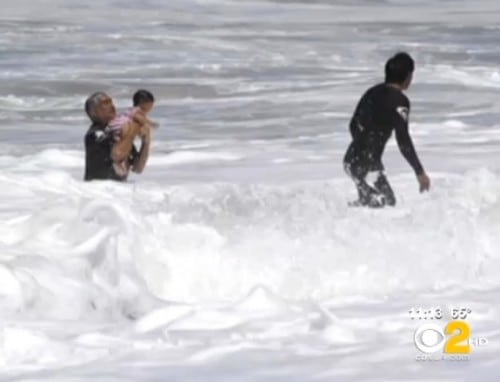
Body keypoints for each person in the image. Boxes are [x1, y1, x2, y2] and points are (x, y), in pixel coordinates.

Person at [343, 52, 431, 207]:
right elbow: (403, 139)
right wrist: (419, 172)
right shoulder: (400, 101)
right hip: (368, 162)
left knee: (373, 203)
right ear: (408, 76)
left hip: (351, 160)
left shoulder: (372, 92)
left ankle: (337, 219)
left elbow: (353, 125)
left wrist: (363, 148)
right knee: (386, 204)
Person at [83, 91, 151, 182]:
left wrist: (146, 141)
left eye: (111, 102)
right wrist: (135, 127)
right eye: (105, 103)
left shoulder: (119, 133)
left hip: (116, 190)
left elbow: (138, 168)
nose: (112, 105)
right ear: (94, 112)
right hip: (98, 190)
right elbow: (117, 154)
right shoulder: (95, 134)